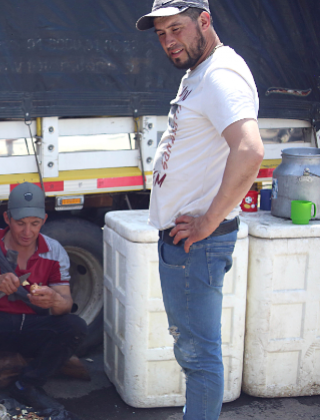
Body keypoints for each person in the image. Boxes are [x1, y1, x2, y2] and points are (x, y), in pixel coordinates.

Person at [136, 1, 264, 419]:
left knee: (199, 358)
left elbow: (249, 151)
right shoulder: (200, 73)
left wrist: (209, 220)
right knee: (194, 354)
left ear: (204, 22)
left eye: (177, 29)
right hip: (188, 243)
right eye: (161, 34)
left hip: (197, 244)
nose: (169, 42)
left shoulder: (220, 73)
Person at [0, 182, 87, 410]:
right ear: (7, 219)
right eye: (20, 224)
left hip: (33, 327)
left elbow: (65, 306)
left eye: (35, 224)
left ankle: (28, 385)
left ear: (45, 220)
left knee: (75, 326)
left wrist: (54, 300)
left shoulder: (54, 250)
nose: (27, 232)